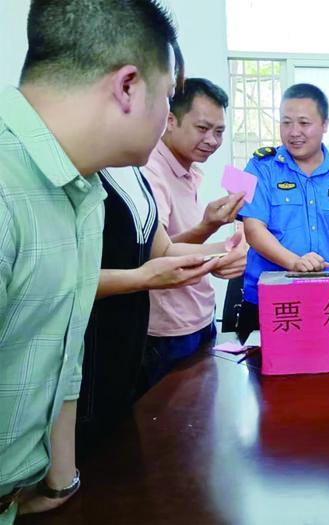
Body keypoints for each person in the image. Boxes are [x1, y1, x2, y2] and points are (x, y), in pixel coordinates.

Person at [0, 1, 182, 521]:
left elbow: (63, 348)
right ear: (128, 86)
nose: (167, 117)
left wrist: (59, 480)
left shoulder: (83, 190)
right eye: (168, 97)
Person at [77, 166, 246, 455]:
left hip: (136, 338)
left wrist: (221, 254)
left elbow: (164, 251)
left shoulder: (136, 174)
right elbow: (60, 281)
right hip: (102, 343)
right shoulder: (101, 173)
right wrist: (141, 278)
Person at [237, 83, 329, 342]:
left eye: (304, 123)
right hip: (269, 301)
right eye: (286, 123)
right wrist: (294, 263)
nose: (294, 132)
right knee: (263, 367)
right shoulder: (259, 167)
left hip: (327, 301)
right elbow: (253, 229)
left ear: (325, 124)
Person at [141, 78, 243, 387]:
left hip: (199, 315)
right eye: (202, 128)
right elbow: (156, 253)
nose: (212, 140)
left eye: (219, 131)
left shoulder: (189, 170)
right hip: (169, 328)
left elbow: (169, 243)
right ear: (170, 120)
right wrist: (220, 250)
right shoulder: (151, 170)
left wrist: (209, 226)